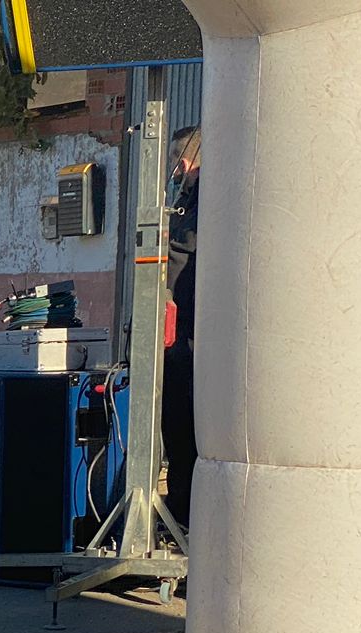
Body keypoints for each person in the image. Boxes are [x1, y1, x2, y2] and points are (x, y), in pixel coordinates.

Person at [163, 125, 200, 531]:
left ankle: (184, 519)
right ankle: (177, 514)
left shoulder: (206, 198)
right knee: (174, 431)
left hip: (189, 339)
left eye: (175, 159)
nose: (173, 169)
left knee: (184, 430)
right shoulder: (185, 201)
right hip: (175, 337)